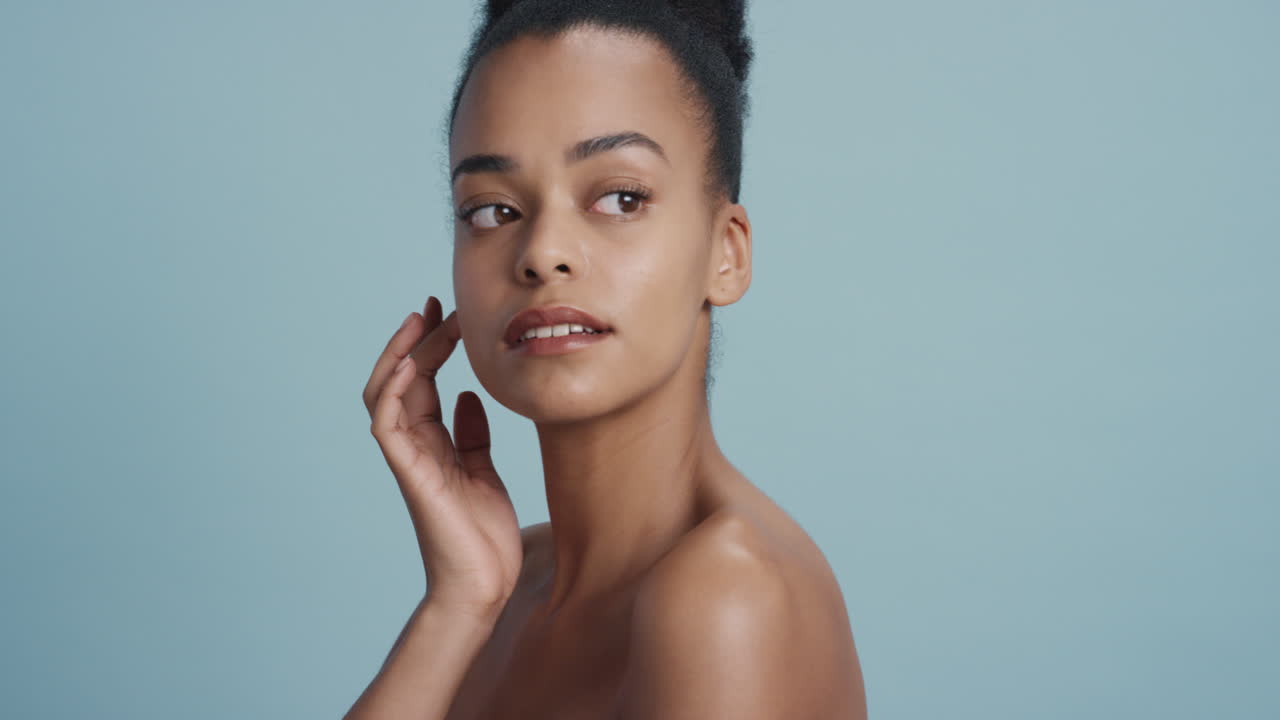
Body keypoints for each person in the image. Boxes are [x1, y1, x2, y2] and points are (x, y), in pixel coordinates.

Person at [347, 1, 867, 717]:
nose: (542, 254)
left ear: (727, 252)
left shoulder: (726, 594)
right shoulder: (507, 580)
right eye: (491, 211)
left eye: (621, 198)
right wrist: (459, 604)